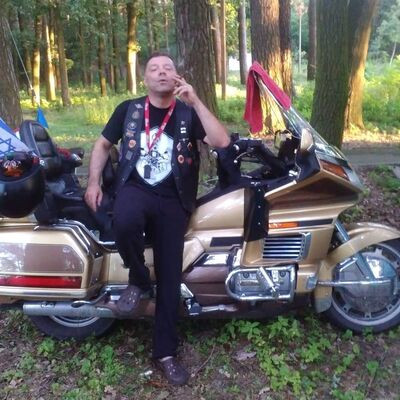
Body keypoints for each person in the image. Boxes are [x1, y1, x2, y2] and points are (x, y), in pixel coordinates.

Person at [84, 52, 229, 386]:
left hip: (174, 199)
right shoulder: (129, 110)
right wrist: (93, 182)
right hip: (135, 188)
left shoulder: (187, 112)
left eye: (168, 68)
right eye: (154, 68)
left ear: (177, 76)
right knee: (124, 221)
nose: (161, 73)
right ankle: (138, 279)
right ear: (145, 78)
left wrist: (196, 101)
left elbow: (221, 141)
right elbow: (103, 145)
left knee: (169, 275)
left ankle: (165, 353)